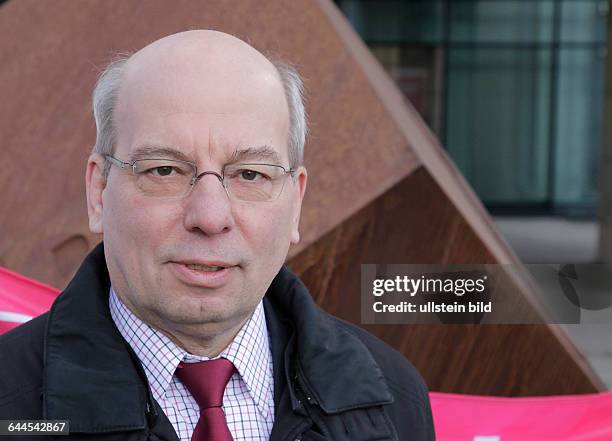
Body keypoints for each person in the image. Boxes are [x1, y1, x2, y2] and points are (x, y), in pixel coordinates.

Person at [0, 31, 434, 441]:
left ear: (296, 201)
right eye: (165, 170)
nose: (210, 216)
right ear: (99, 191)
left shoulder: (395, 398)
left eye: (249, 174)